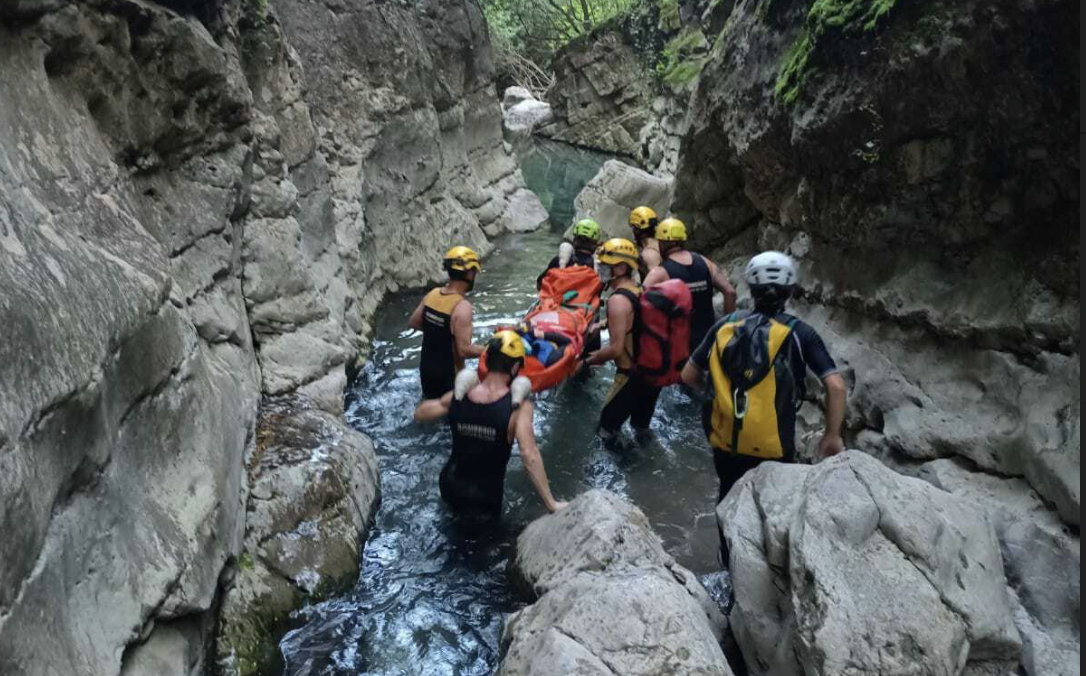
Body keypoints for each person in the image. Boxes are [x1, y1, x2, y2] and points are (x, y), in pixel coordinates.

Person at [681, 251, 847, 505]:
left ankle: (726, 545)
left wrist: (714, 392)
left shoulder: (725, 325)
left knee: (728, 497)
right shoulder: (800, 333)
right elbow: (835, 387)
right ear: (789, 290)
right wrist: (832, 436)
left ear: (750, 286)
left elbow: (688, 375)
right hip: (775, 443)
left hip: (725, 441)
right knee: (772, 505)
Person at [414, 331, 568, 517]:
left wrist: (455, 397)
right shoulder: (519, 408)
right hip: (484, 499)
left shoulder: (460, 396)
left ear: (486, 361)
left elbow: (420, 413)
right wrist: (551, 503)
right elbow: (530, 455)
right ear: (515, 367)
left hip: (449, 485)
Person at [586, 238, 662, 446]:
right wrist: (602, 324)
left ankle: (633, 469)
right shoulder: (638, 288)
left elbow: (615, 349)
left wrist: (584, 362)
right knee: (641, 429)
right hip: (652, 376)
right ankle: (645, 471)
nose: (599, 268)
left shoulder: (617, 300)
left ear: (620, 268)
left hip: (630, 379)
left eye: (604, 265)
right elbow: (635, 319)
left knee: (605, 432)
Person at [642, 217, 737, 353]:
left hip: (679, 348)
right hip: (708, 341)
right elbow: (730, 292)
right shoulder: (705, 262)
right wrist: (727, 330)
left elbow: (638, 302)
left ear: (661, 243)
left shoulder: (660, 273)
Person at [408, 246, 486, 399]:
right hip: (449, 377)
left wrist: (438, 332)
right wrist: (491, 350)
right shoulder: (462, 307)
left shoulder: (433, 294)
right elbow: (464, 350)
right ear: (470, 273)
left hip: (426, 371)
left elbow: (414, 322)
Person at [536, 218, 601, 289]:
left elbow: (540, 283)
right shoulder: (599, 268)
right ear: (595, 244)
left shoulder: (558, 261)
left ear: (575, 239)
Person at [628, 206, 662, 277]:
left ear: (637, 230)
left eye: (633, 227)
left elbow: (657, 281)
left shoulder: (648, 254)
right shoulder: (660, 244)